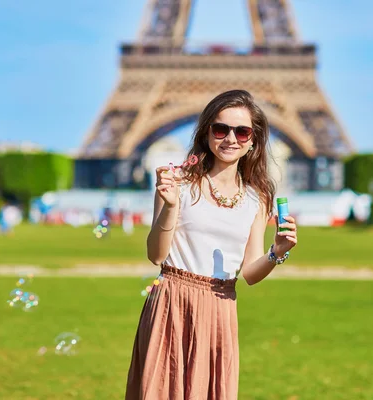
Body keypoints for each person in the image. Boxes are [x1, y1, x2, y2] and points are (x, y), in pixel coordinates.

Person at [125, 89, 298, 399]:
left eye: (242, 131)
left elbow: (249, 273)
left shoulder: (256, 200)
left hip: (220, 307)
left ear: (253, 141)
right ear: (207, 133)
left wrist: (277, 252)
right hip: (172, 301)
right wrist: (169, 207)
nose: (231, 138)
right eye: (221, 129)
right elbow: (156, 255)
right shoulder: (177, 181)